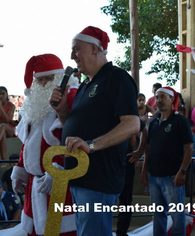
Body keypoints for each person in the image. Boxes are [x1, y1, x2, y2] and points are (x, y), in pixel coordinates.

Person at [49, 26, 140, 235]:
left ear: (93, 49)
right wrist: (62, 110)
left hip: (98, 180)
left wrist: (90, 145)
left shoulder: (116, 78)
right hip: (80, 178)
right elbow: (73, 125)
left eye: (76, 49)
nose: (72, 56)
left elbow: (132, 124)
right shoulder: (86, 84)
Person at [11, 53, 78, 236]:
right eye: (40, 79)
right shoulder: (34, 104)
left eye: (49, 78)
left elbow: (74, 137)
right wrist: (20, 169)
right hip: (35, 184)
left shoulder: (71, 97)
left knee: (62, 232)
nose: (43, 84)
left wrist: (57, 168)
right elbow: (28, 142)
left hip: (61, 181)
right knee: (34, 232)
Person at [140, 86, 193, 236]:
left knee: (177, 216)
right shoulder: (154, 122)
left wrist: (182, 171)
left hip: (172, 177)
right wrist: (144, 170)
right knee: (158, 216)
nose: (159, 100)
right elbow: (148, 147)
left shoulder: (180, 121)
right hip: (154, 176)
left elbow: (189, 148)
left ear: (172, 99)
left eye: (163, 97)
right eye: (157, 97)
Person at [116, 120, 147, 236]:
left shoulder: (127, 114)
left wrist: (138, 151)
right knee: (107, 201)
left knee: (125, 201)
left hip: (126, 163)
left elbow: (143, 130)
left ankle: (121, 232)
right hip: (109, 164)